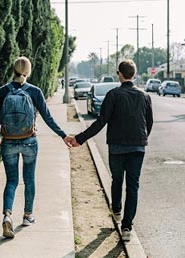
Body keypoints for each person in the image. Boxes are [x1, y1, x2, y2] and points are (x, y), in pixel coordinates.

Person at [70, 59, 153, 241]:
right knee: (133, 187)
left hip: (116, 148)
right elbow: (149, 123)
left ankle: (116, 211)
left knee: (117, 180)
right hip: (138, 148)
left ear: (119, 74)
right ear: (134, 74)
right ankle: (126, 228)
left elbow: (101, 122)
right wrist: (141, 139)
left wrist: (79, 139)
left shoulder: (113, 95)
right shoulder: (145, 96)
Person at [0, 56, 72, 238]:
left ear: (13, 70)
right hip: (29, 141)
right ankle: (28, 215)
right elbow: (47, 117)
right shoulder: (34, 91)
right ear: (28, 72)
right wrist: (63, 135)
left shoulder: (4, 91)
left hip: (9, 141)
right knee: (29, 179)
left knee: (11, 181)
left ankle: (7, 215)